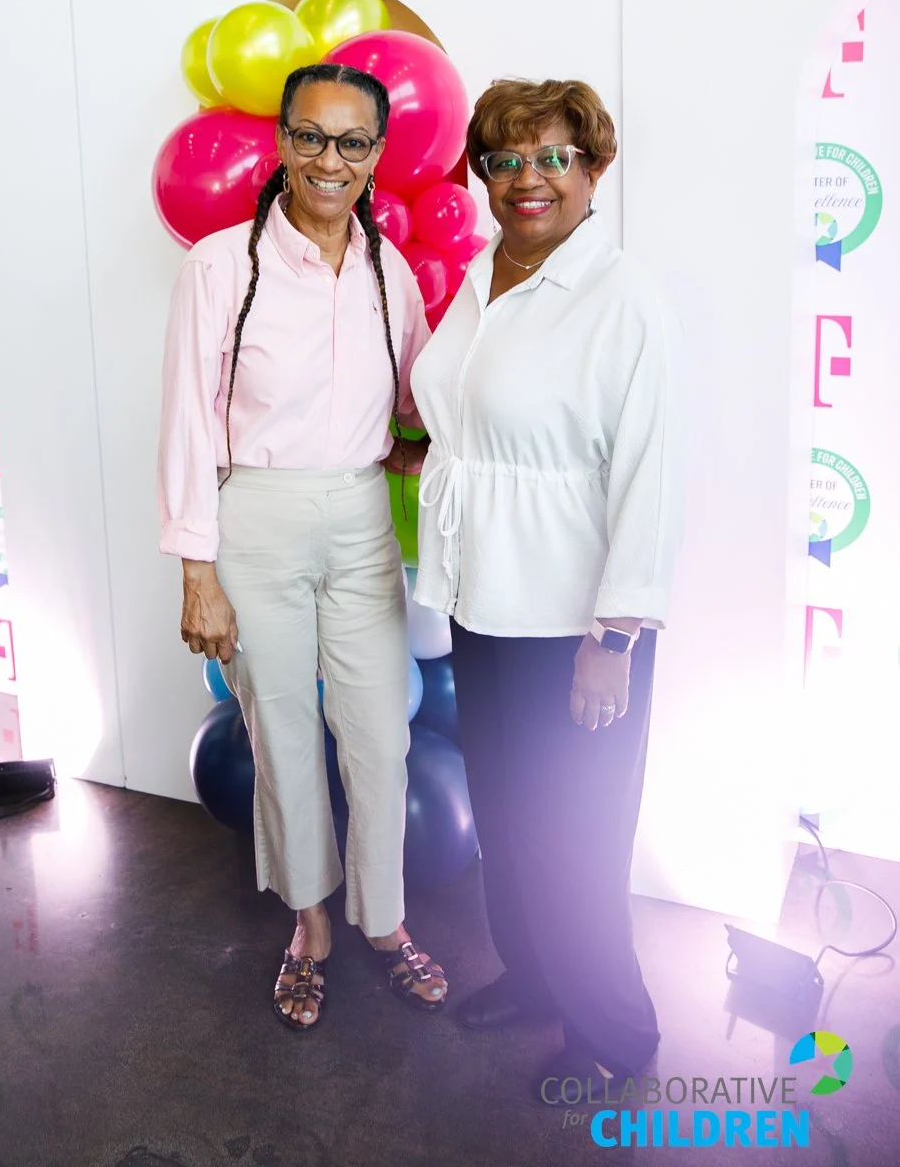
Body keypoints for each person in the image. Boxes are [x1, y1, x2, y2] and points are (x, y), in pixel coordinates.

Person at [158, 62, 448, 1032]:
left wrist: (444, 440)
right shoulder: (218, 267)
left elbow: (414, 403)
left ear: (376, 153)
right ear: (282, 141)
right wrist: (197, 571)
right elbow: (187, 422)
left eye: (352, 141)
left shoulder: (387, 272)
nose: (330, 159)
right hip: (255, 516)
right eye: (311, 137)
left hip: (360, 513)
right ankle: (310, 927)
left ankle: (384, 919)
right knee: (282, 735)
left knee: (378, 734)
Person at [410, 78, 684, 1095]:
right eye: (504, 160)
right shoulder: (486, 273)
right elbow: (475, 419)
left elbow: (650, 475)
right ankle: (533, 979)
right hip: (484, 600)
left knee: (575, 842)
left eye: (552, 157)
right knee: (508, 817)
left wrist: (613, 638)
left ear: (593, 169)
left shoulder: (621, 299)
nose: (527, 178)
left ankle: (611, 1033)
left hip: (574, 624)